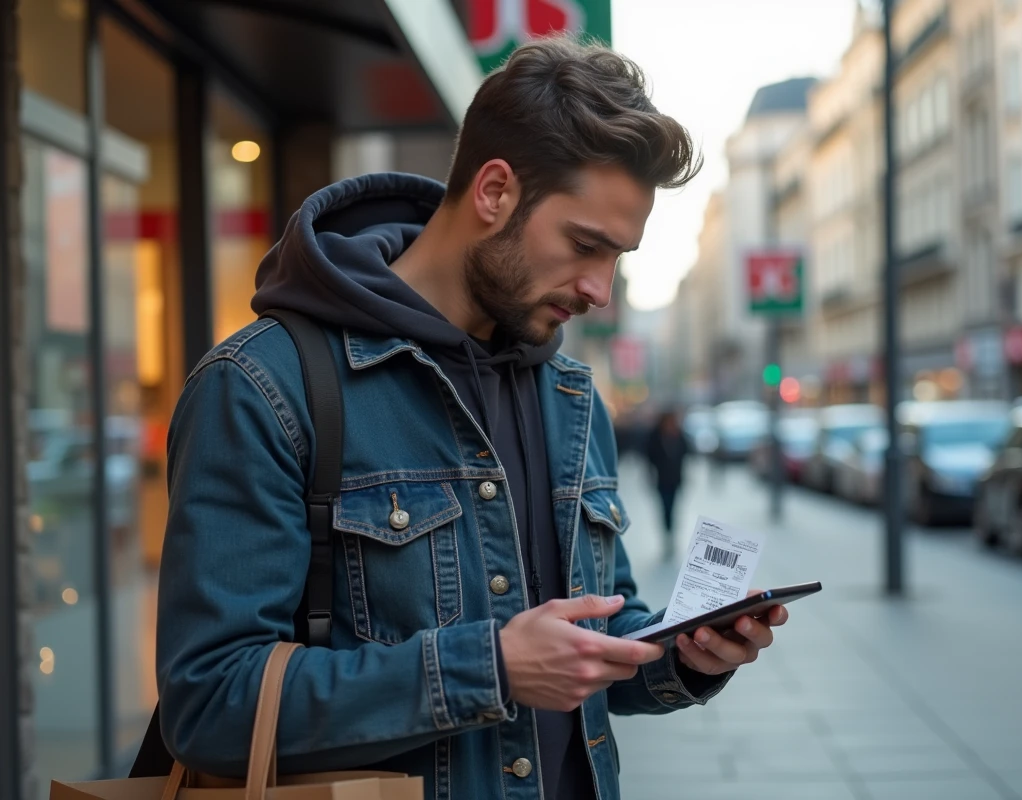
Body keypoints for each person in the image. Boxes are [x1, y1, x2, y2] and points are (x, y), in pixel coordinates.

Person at [155, 36, 790, 800]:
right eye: (585, 245)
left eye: (617, 257)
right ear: (494, 192)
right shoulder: (263, 384)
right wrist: (486, 668)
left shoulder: (571, 394)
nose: (600, 291)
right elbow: (211, 702)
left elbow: (593, 641)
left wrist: (685, 655)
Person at [645, 409, 687, 560]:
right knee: (664, 507)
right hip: (662, 480)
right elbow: (649, 456)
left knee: (673, 508)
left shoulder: (679, 435)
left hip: (675, 480)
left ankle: (671, 534)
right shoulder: (655, 436)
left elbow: (686, 452)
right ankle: (667, 534)